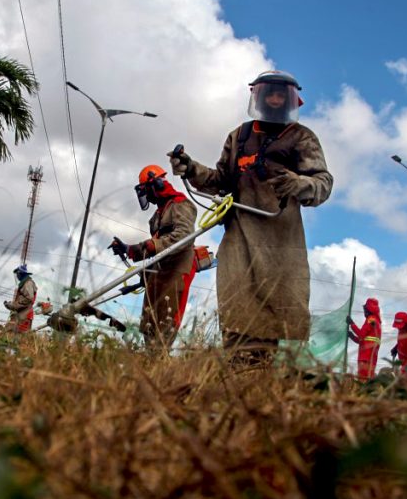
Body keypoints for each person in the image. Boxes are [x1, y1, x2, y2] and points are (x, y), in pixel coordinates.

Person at [168, 70, 333, 365]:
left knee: (276, 314)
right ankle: (237, 377)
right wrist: (190, 168)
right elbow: (219, 179)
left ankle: (265, 380)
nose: (273, 98)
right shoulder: (240, 136)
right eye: (268, 93)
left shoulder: (301, 138)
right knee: (237, 308)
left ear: (291, 99)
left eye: (280, 94)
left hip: (280, 246)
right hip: (239, 240)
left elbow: (323, 184)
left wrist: (299, 183)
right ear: (256, 96)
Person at [110, 165, 197, 353]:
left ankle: (160, 365)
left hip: (176, 273)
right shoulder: (156, 217)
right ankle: (152, 361)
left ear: (155, 184)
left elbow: (184, 236)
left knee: (166, 322)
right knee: (149, 323)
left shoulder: (181, 205)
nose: (147, 197)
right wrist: (127, 249)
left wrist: (152, 246)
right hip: (158, 275)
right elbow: (155, 248)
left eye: (146, 192)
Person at [347, 298, 382, 380]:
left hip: (365, 356)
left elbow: (361, 334)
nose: (365, 311)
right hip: (371, 357)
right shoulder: (377, 322)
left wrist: (352, 324)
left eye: (366, 309)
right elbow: (363, 339)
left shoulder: (371, 319)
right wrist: (352, 336)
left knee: (362, 379)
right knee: (369, 378)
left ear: (370, 309)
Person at [5, 264, 38, 333]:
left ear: (20, 274)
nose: (17, 276)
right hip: (21, 314)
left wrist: (14, 305)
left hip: (25, 315)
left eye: (17, 274)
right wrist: (12, 304)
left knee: (18, 335)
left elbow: (29, 298)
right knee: (11, 333)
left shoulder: (27, 283)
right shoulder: (25, 283)